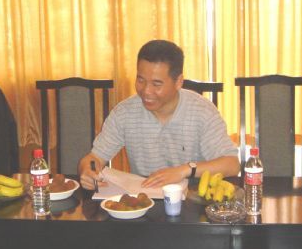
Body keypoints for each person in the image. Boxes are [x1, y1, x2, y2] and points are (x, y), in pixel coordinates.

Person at [79, 39, 240, 190]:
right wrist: (87, 171)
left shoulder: (202, 111)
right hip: (144, 199)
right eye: (140, 80)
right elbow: (94, 158)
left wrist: (183, 170)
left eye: (156, 84)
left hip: (193, 199)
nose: (146, 91)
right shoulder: (124, 112)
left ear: (178, 82)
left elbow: (232, 164)